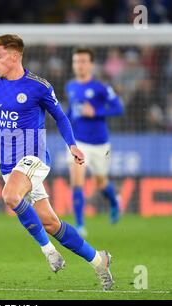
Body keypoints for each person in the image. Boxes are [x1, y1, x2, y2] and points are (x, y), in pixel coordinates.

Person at [0, 34, 114, 291]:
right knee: (51, 223)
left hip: (34, 158)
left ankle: (48, 251)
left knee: (9, 195)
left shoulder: (38, 86)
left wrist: (72, 145)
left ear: (15, 56)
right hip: (9, 166)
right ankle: (100, 260)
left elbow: (60, 117)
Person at [65, 47, 124, 236]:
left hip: (101, 144)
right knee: (77, 180)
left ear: (91, 64)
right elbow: (73, 112)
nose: (79, 65)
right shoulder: (70, 86)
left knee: (100, 183)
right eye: (76, 61)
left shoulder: (101, 87)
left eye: (83, 61)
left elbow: (118, 108)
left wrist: (96, 112)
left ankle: (114, 201)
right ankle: (80, 226)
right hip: (79, 142)